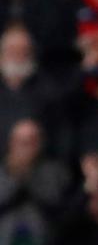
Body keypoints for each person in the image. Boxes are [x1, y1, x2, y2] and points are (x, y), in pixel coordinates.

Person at [0, 117, 69, 245]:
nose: (25, 147)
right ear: (11, 142)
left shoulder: (53, 172)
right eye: (21, 141)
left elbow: (56, 207)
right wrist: (15, 176)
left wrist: (29, 178)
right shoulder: (2, 172)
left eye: (31, 141)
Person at [0, 25, 63, 157]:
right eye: (12, 50)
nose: (18, 55)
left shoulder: (49, 90)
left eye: (24, 50)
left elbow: (60, 135)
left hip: (39, 163)